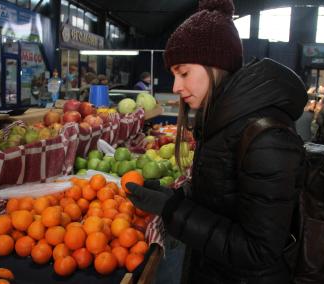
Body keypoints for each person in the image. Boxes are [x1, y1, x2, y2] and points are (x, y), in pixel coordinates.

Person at [125, 1, 307, 283]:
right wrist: (177, 197)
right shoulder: (218, 123)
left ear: (216, 66)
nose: (175, 87)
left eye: (183, 73)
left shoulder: (266, 137)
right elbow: (224, 200)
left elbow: (258, 251)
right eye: (174, 75)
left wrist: (175, 211)